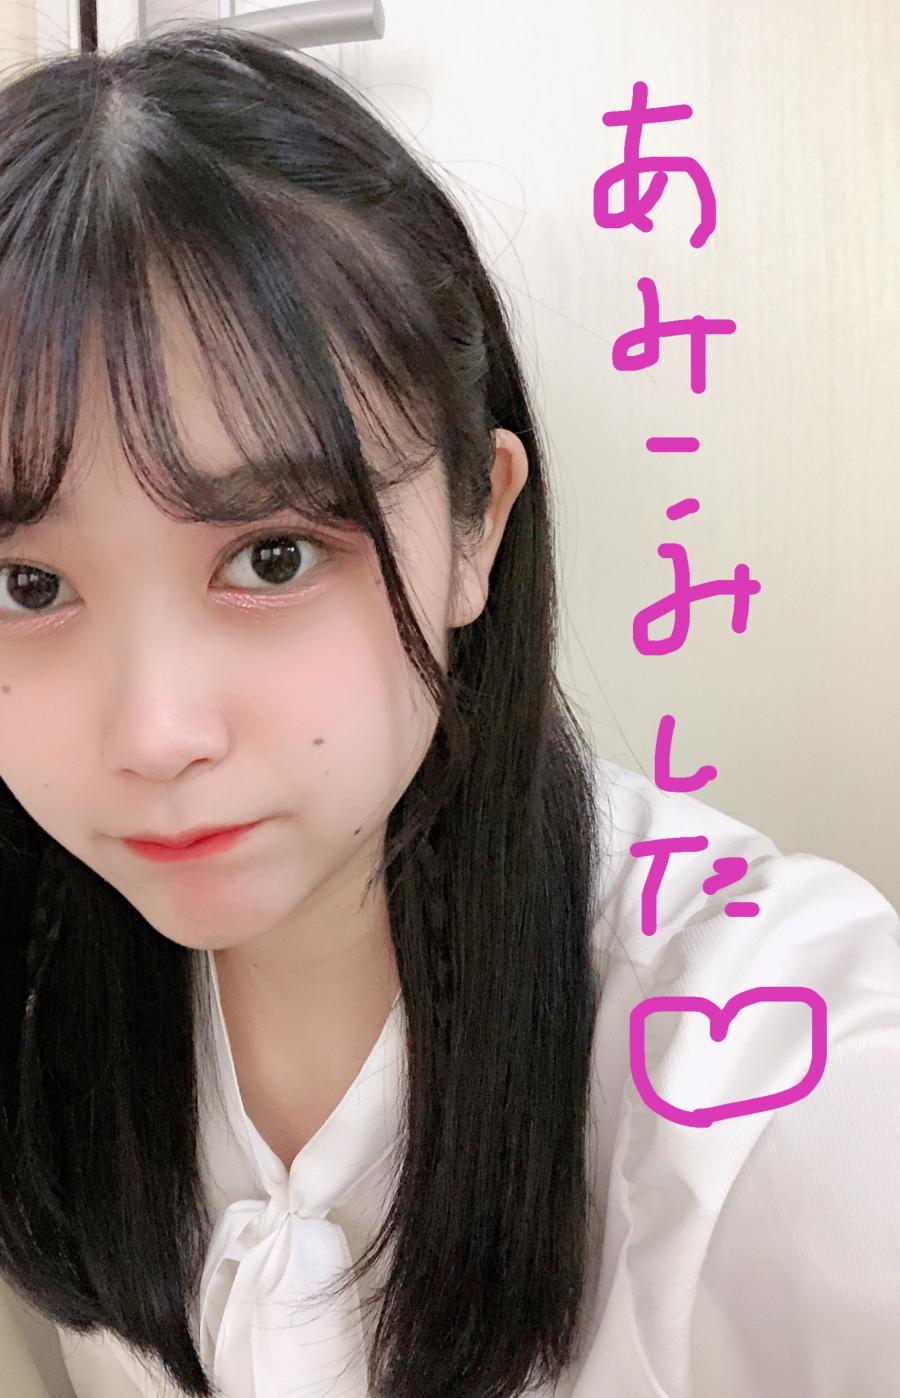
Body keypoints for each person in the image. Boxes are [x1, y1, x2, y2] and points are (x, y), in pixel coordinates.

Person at [0, 25, 897, 1398]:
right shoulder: (45, 975)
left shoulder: (771, 1077)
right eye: (28, 584)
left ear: (477, 524)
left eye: (273, 556)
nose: (156, 734)